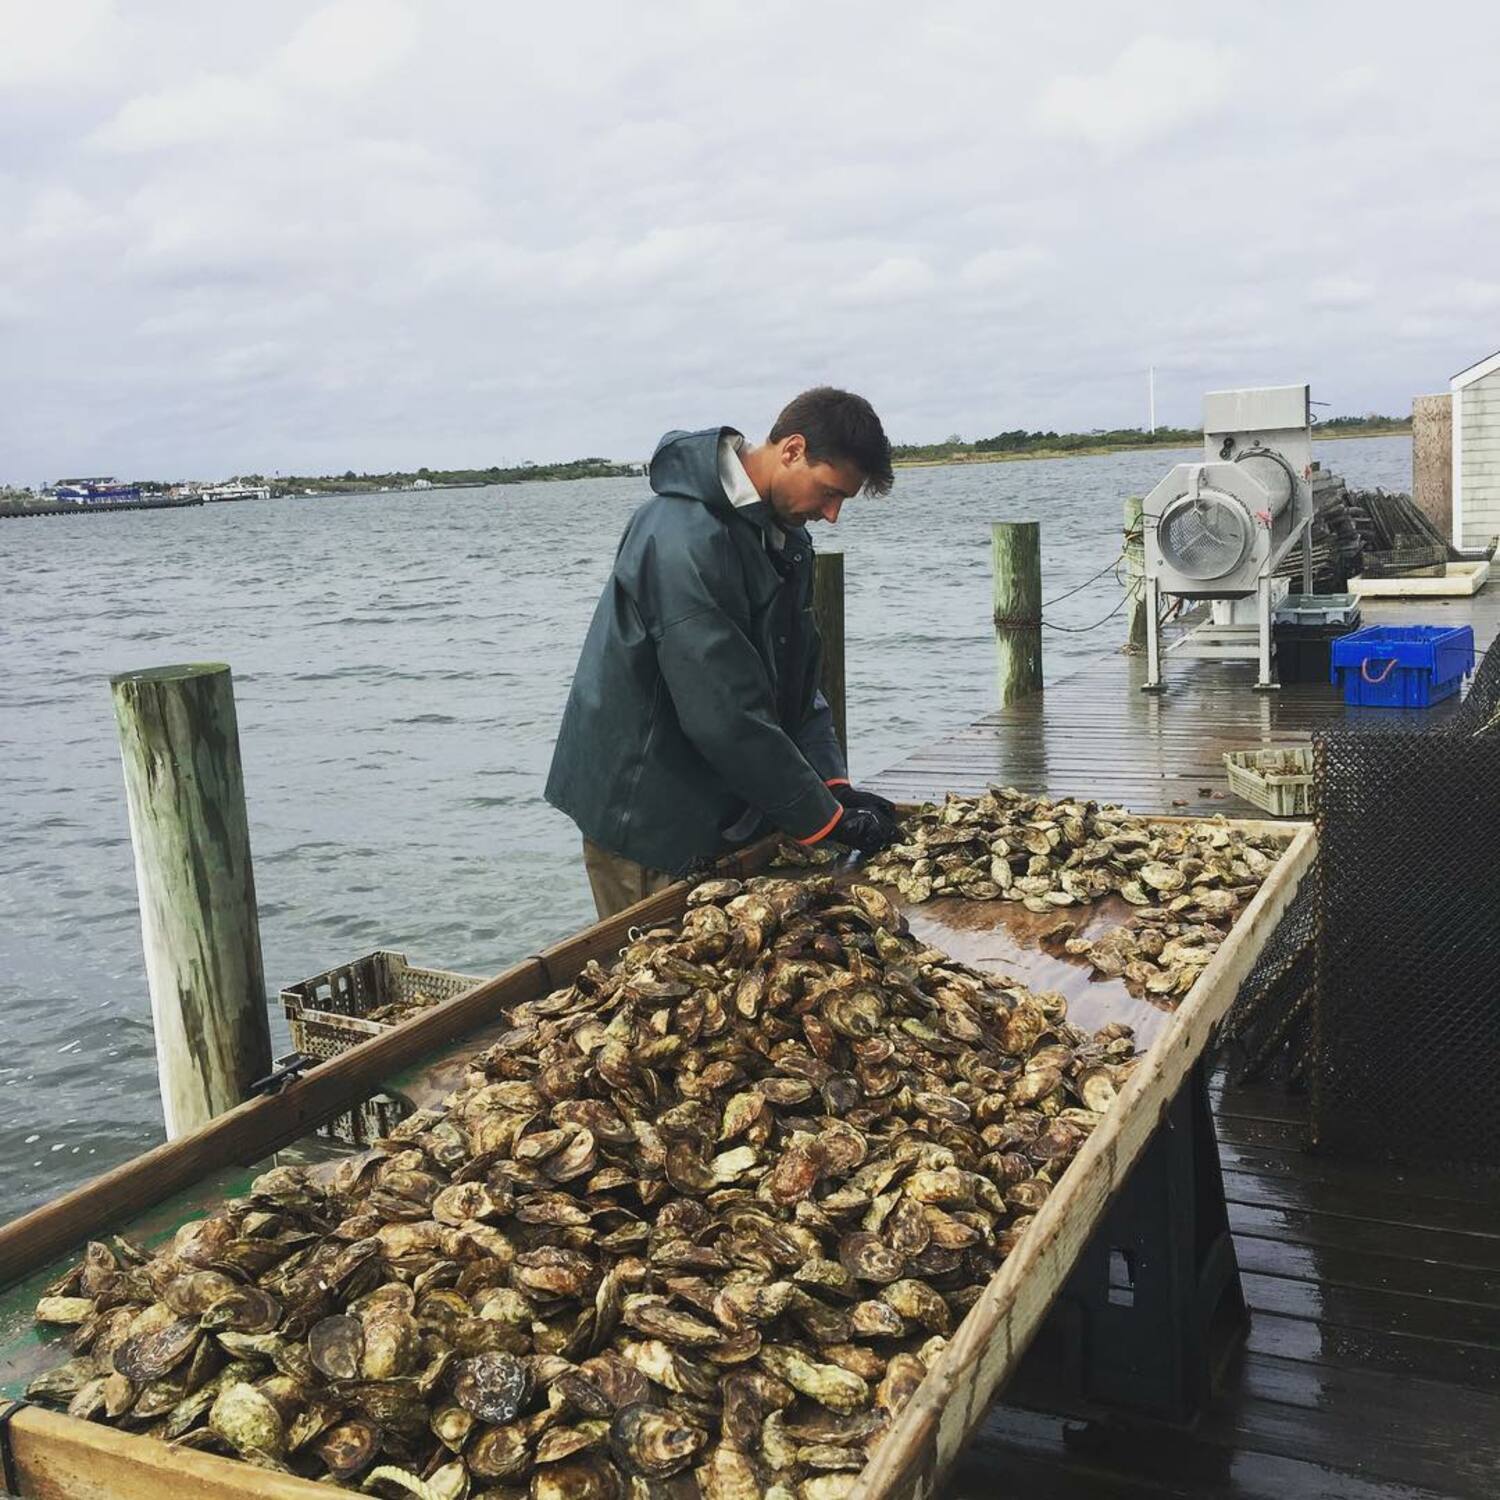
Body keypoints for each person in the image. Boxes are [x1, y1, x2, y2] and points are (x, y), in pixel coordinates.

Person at [546, 386, 905, 919]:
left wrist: (834, 787)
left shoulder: (785, 538)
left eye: (842, 501)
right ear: (791, 450)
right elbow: (724, 713)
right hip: (648, 818)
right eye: (830, 493)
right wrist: (823, 819)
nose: (832, 515)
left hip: (722, 801)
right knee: (660, 979)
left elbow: (800, 686)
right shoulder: (681, 536)